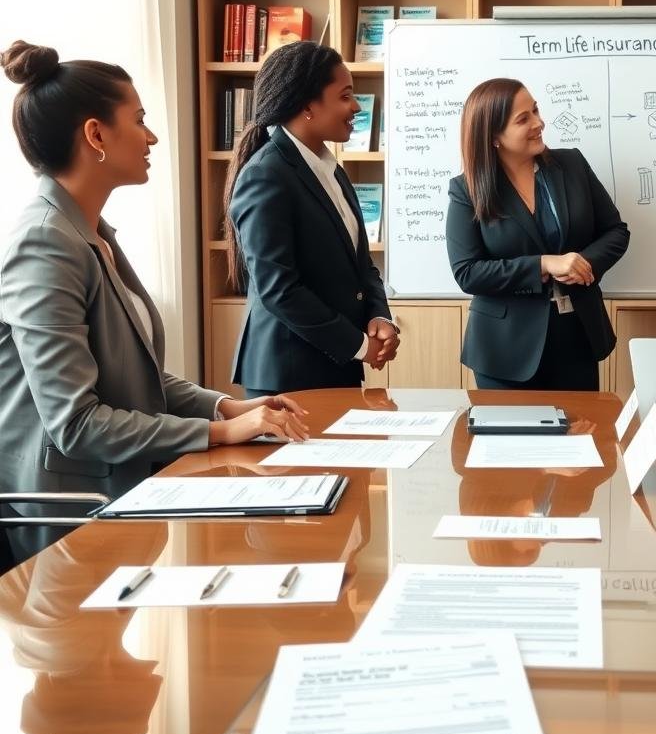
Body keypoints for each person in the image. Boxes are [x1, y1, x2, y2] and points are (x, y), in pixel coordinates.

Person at [0, 41, 309, 562]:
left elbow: (131, 374)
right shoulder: (45, 242)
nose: (152, 136)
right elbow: (77, 422)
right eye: (139, 120)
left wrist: (228, 405)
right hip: (65, 520)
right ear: (95, 135)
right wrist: (221, 431)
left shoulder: (92, 233)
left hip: (115, 497)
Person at [226, 41, 398, 396]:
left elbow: (361, 267)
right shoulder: (266, 175)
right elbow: (279, 289)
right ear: (307, 105)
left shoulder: (332, 170)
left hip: (336, 367)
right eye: (345, 96)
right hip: (287, 378)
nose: (355, 107)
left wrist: (379, 316)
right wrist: (359, 345)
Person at [446, 77, 629, 390]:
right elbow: (467, 272)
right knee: (510, 439)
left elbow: (615, 231)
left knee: (578, 437)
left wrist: (583, 263)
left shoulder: (571, 164)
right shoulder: (467, 190)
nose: (539, 123)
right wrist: (543, 264)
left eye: (535, 110)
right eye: (523, 119)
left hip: (577, 337)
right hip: (505, 350)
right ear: (494, 137)